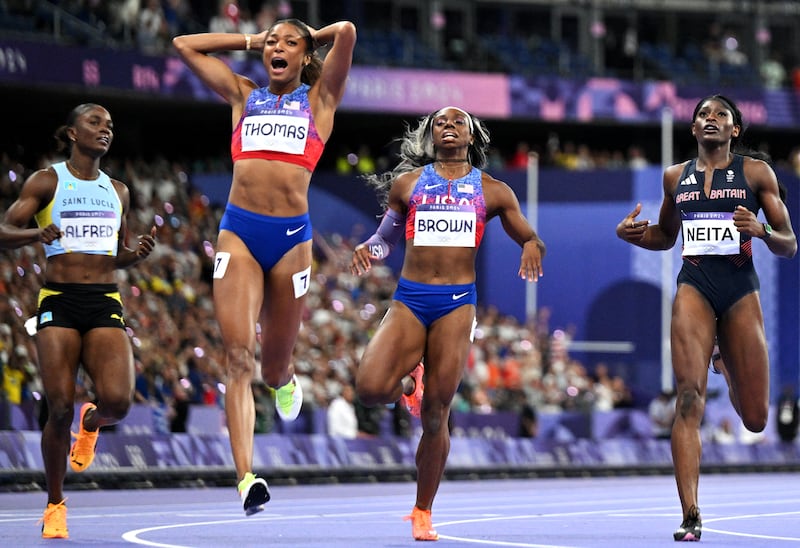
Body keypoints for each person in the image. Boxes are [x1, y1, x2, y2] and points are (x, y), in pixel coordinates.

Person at [172, 18, 356, 515]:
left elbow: (348, 30)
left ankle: (286, 375)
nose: (277, 48)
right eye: (271, 43)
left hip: (293, 242)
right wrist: (252, 40)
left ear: (304, 56)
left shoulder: (320, 101)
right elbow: (184, 45)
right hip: (239, 233)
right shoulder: (242, 95)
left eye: (288, 43)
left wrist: (309, 36)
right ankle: (246, 477)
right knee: (237, 357)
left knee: (273, 368)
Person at [350, 106, 546, 541]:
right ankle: (407, 384)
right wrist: (369, 249)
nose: (450, 126)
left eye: (459, 122)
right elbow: (385, 238)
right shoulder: (409, 184)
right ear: (430, 135)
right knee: (369, 388)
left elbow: (529, 235)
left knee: (437, 416)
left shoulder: (493, 191)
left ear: (472, 136)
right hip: (410, 299)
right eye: (441, 122)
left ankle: (423, 510)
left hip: (456, 305)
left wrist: (532, 246)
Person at [616, 94, 797, 542]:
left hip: (740, 291)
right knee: (689, 399)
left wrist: (762, 230)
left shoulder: (756, 173)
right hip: (693, 288)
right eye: (703, 115)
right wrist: (630, 236)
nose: (710, 119)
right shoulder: (675, 177)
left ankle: (729, 367)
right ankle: (691, 513)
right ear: (694, 129)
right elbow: (664, 237)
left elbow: (790, 242)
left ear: (735, 130)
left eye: (720, 115)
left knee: (755, 418)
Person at [0, 103, 158, 539]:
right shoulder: (48, 180)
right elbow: (3, 232)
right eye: (94, 123)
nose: (105, 131)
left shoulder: (119, 190)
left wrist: (135, 254)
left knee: (119, 402)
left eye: (110, 126)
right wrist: (35, 233)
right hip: (59, 300)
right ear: (71, 133)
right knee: (58, 407)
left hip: (103, 299)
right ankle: (54, 504)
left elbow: (115, 255)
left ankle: (91, 425)